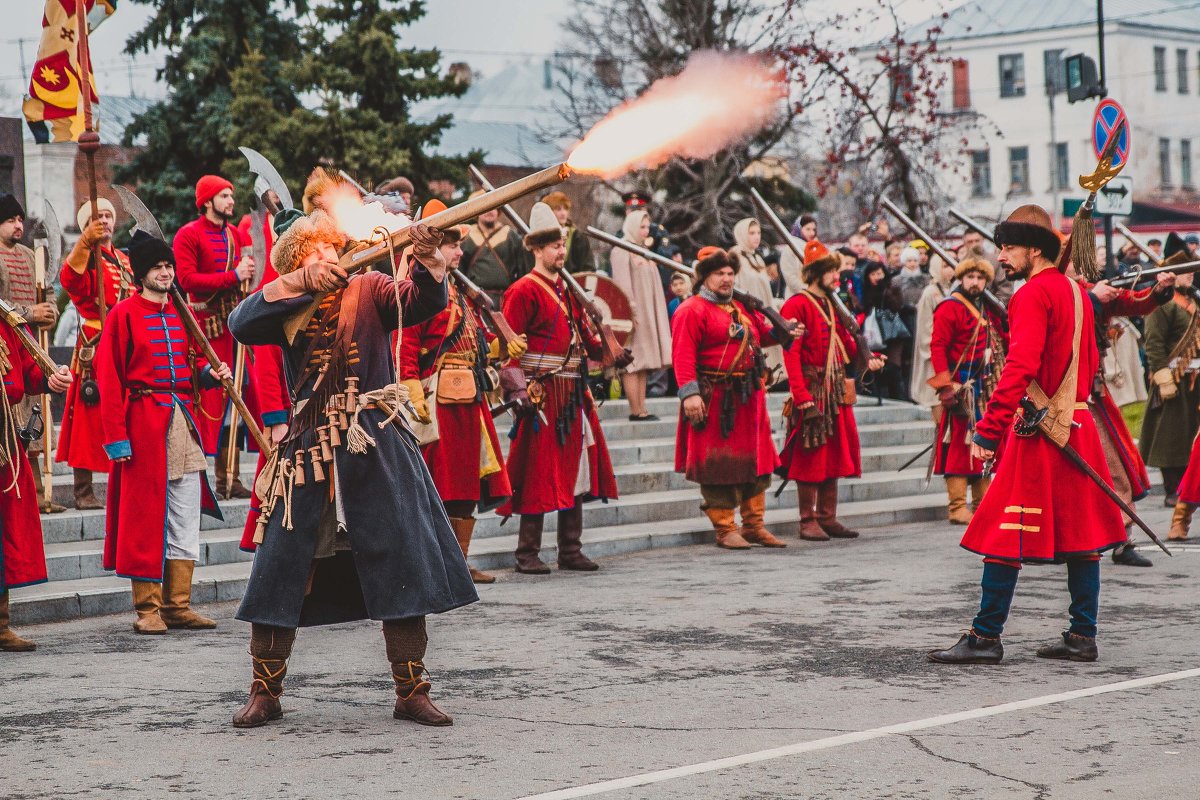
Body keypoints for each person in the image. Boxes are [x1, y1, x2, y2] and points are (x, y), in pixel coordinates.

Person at [227, 207, 477, 729]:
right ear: (299, 259)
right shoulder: (287, 300)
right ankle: (265, 691)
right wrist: (298, 281)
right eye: (316, 249)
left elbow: (423, 301)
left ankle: (412, 689)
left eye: (329, 246)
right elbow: (240, 323)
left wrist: (428, 258)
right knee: (278, 574)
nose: (329, 254)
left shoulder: (371, 284)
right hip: (308, 450)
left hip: (376, 445)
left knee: (401, 568)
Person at [929, 205, 1125, 665]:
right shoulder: (1077, 293)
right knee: (1082, 538)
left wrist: (989, 428)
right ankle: (1082, 636)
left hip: (1040, 431)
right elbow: (1088, 361)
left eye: (1008, 247)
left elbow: (1020, 366)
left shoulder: (1033, 294)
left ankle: (984, 637)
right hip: (1076, 427)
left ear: (1034, 249)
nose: (1000, 256)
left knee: (1001, 531)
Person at [95, 232, 230, 634]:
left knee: (185, 514)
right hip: (142, 425)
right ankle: (148, 609)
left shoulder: (180, 313)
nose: (166, 271)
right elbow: (109, 377)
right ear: (142, 274)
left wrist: (209, 375)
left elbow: (187, 370)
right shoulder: (123, 314)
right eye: (158, 267)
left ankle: (178, 604)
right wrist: (117, 438)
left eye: (169, 265)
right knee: (145, 518)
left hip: (182, 421)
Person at [399, 202, 525, 584]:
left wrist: (503, 346)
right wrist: (409, 387)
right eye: (453, 245)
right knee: (442, 485)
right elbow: (406, 342)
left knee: (467, 484)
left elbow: (475, 339)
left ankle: (460, 562)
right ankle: (439, 564)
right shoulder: (417, 290)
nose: (459, 252)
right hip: (438, 399)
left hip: (469, 399)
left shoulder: (458, 291)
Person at [498, 202, 623, 574]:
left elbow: (587, 340)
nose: (560, 251)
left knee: (578, 467)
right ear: (537, 249)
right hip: (541, 394)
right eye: (553, 246)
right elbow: (509, 348)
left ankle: (570, 549)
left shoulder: (570, 292)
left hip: (573, 393)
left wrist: (614, 351)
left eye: (562, 244)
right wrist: (517, 390)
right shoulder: (522, 291)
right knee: (536, 470)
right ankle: (527, 553)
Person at [672, 247, 792, 550]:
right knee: (717, 465)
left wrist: (785, 331)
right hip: (714, 397)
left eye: (729, 273)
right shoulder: (691, 309)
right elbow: (682, 355)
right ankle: (725, 528)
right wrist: (690, 395)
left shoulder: (741, 307)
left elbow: (759, 336)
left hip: (748, 398)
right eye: (719, 274)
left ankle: (754, 525)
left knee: (758, 463)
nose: (726, 279)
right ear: (705, 278)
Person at [778, 241, 882, 541]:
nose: (837, 276)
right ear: (816, 273)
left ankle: (828, 517)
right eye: (831, 271)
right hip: (812, 389)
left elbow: (848, 347)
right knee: (811, 455)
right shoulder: (797, 304)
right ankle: (807, 519)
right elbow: (791, 355)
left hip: (835, 390)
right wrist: (801, 397)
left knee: (834, 453)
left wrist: (869, 358)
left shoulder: (834, 305)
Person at [1074, 265, 1174, 567]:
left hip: (1092, 393)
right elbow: (1068, 310)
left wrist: (1158, 290)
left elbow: (1136, 303)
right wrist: (1091, 296)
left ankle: (1121, 539)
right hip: (1060, 397)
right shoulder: (1060, 293)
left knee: (1116, 466)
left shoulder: (1085, 289)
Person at [173, 174, 257, 499]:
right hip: (203, 328)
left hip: (234, 326)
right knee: (210, 399)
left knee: (237, 397)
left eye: (231, 195)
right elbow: (188, 280)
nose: (230, 201)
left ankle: (230, 477)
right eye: (224, 196)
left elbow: (246, 278)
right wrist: (233, 276)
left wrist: (244, 279)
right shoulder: (188, 235)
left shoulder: (236, 235)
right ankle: (204, 478)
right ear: (207, 201)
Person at [0, 309, 72, 651]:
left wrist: (50, 379)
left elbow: (29, 373)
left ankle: (0, 624)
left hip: (4, 434)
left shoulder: (8, 319)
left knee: (4, 530)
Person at [57, 198, 133, 510]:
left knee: (123, 412)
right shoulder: (87, 257)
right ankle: (83, 490)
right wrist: (85, 243)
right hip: (95, 339)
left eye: (108, 215)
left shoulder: (124, 260)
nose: (104, 221)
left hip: (124, 343)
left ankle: (123, 483)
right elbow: (69, 281)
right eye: (97, 217)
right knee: (88, 416)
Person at [927, 255, 1008, 524]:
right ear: (961, 278)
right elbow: (937, 347)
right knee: (960, 446)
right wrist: (946, 387)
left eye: (980, 278)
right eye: (970, 277)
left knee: (984, 444)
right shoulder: (949, 307)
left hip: (984, 387)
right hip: (961, 386)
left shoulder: (986, 306)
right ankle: (957, 507)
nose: (975, 282)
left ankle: (981, 503)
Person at [0, 194, 62, 513]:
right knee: (12, 421)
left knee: (36, 418)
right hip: (6, 351)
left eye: (20, 220)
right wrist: (30, 313)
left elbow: (47, 293)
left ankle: (40, 490)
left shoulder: (29, 255)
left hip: (31, 345)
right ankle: (23, 490)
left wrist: (49, 311)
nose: (18, 225)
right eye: (11, 220)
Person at [1139, 271, 1200, 507]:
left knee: (1192, 437)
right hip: (1174, 376)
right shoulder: (1163, 303)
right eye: (1184, 272)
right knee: (1171, 438)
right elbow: (1154, 341)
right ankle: (1172, 489)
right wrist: (1163, 375)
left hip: (1194, 377)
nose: (1189, 276)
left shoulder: (1192, 300)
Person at [611, 209, 672, 421]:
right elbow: (622, 285)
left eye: (647, 227)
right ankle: (635, 410)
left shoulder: (643, 250)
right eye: (642, 227)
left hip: (648, 314)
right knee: (632, 363)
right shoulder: (622, 249)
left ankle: (642, 408)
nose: (646, 231)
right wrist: (631, 312)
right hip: (634, 315)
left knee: (643, 363)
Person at [460, 192, 532, 307]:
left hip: (505, 301)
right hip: (473, 301)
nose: (489, 210)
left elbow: (523, 272)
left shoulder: (511, 236)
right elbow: (459, 273)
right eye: (485, 206)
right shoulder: (466, 236)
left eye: (493, 206)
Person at [911, 255, 955, 411]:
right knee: (936, 402)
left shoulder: (951, 290)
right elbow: (925, 327)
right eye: (945, 266)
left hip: (949, 355)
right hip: (934, 355)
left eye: (951, 265)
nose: (950, 270)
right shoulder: (930, 292)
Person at [860, 261, 909, 400]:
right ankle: (875, 395)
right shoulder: (865, 290)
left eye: (879, 273)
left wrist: (884, 292)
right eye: (873, 274)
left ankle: (898, 397)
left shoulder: (892, 288)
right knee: (874, 366)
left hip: (892, 334)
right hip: (873, 333)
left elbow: (897, 305)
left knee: (893, 367)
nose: (877, 277)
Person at [542, 191, 594, 274]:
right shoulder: (540, 237)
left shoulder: (578, 237)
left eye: (565, 209)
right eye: (558, 209)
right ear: (549, 212)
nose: (563, 213)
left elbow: (588, 270)